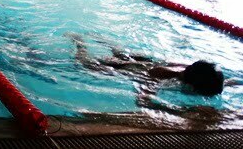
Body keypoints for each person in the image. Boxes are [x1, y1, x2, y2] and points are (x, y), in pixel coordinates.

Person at [65, 33, 243, 127]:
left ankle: (103, 40)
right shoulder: (166, 78)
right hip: (132, 69)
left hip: (148, 63)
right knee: (86, 64)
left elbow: (228, 81)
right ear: (191, 87)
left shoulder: (199, 77)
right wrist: (167, 108)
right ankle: (80, 43)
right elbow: (143, 100)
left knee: (123, 54)